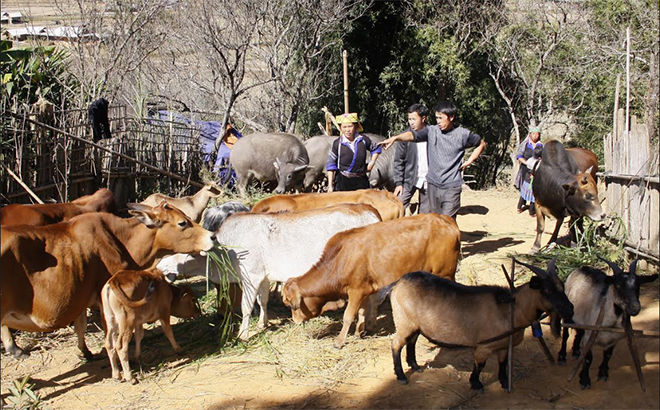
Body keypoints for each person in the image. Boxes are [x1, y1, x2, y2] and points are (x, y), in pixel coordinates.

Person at [380, 101, 486, 218]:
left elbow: (481, 144)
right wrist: (395, 138)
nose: (438, 121)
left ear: (451, 117)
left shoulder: (462, 134)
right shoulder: (431, 131)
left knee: (446, 220)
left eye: (441, 118)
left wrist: (469, 161)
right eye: (436, 118)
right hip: (432, 184)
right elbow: (412, 136)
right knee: (434, 219)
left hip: (451, 186)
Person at [326, 112, 381, 192]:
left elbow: (376, 148)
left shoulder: (363, 140)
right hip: (343, 182)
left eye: (350, 126)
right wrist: (330, 185)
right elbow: (331, 164)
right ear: (340, 128)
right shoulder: (337, 144)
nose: (347, 130)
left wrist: (372, 163)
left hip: (361, 181)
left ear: (355, 127)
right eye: (344, 127)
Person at [393, 104, 430, 213]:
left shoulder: (433, 134)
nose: (411, 122)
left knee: (425, 213)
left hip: (428, 180)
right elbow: (398, 161)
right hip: (409, 179)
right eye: (409, 119)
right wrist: (399, 183)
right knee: (397, 205)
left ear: (423, 118)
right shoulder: (404, 136)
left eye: (414, 119)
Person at [514, 126, 543, 216]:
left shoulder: (541, 145)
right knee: (525, 187)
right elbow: (519, 156)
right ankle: (521, 204)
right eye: (533, 134)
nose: (535, 136)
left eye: (537, 134)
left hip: (537, 170)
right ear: (529, 134)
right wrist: (528, 163)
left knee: (534, 190)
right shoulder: (525, 144)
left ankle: (532, 209)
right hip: (525, 168)